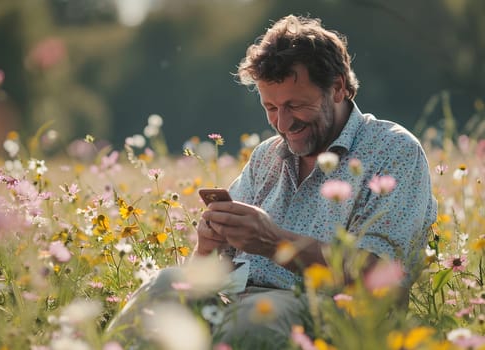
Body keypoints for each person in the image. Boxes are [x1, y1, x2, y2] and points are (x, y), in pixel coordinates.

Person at [106, 14, 437, 348]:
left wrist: (276, 243)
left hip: (337, 312)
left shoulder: (393, 151)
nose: (283, 122)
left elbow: (384, 278)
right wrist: (208, 248)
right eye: (271, 107)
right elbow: (214, 270)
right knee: (165, 286)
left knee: (255, 319)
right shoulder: (268, 156)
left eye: (295, 105)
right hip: (237, 299)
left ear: (337, 88)